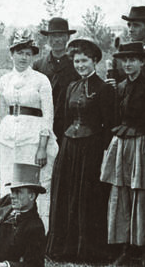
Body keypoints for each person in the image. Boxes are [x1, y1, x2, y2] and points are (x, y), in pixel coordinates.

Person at [46, 37, 115, 261]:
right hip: (69, 147)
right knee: (67, 194)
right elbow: (64, 119)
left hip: (91, 149)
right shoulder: (71, 87)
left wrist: (103, 153)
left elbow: (109, 126)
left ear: (95, 61)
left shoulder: (104, 89)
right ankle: (65, 247)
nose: (80, 65)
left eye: (84, 61)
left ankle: (87, 249)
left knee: (87, 197)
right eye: (77, 61)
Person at [100, 41, 145, 267]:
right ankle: (124, 248)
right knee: (121, 193)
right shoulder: (120, 88)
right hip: (122, 143)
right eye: (124, 60)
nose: (128, 64)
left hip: (142, 144)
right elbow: (115, 119)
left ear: (142, 62)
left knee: (141, 194)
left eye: (133, 60)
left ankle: (143, 250)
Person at [0, 30, 58, 228]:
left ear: (32, 57)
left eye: (28, 54)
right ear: (11, 54)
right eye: (19, 53)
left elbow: (48, 115)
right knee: (7, 182)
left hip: (33, 140)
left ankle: (37, 232)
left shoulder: (41, 80)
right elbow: (2, 113)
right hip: (7, 139)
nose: (23, 58)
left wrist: (42, 147)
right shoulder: (4, 80)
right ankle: (7, 229)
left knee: (32, 185)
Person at [33, 17, 77, 145]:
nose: (57, 40)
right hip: (43, 125)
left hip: (68, 126)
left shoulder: (76, 65)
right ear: (48, 39)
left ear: (68, 38)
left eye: (61, 35)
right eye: (53, 36)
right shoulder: (39, 65)